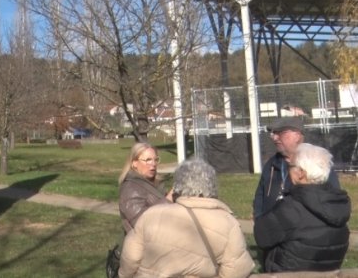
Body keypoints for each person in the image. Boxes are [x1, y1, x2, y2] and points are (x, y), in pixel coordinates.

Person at [119, 158, 255, 278]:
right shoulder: (228, 223)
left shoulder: (151, 215)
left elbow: (130, 259)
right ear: (212, 185)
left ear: (178, 185)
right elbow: (236, 271)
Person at [254, 143, 350, 273]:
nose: (288, 169)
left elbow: (261, 237)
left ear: (300, 173)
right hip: (328, 273)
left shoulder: (291, 208)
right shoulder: (338, 204)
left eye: (290, 166)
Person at [253, 116, 340, 219]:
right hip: (270, 226)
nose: (274, 138)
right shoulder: (271, 164)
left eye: (280, 133)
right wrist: (259, 219)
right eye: (273, 133)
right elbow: (260, 196)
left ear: (297, 135)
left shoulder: (317, 162)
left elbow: (332, 201)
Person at [118, 142, 169, 234]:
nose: (153, 164)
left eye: (155, 159)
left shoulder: (158, 184)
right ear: (134, 163)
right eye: (148, 160)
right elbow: (141, 223)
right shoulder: (130, 189)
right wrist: (169, 199)